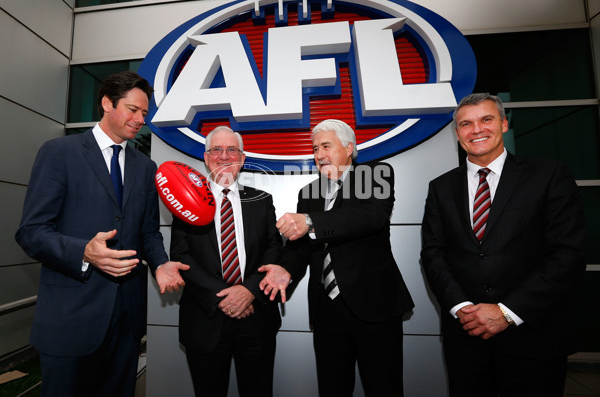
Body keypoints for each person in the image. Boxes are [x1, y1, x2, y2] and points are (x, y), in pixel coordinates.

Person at [15, 71, 189, 397]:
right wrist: (84, 251)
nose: (140, 120)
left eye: (144, 113)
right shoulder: (59, 153)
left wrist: (161, 263)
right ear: (107, 103)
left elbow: (148, 232)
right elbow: (31, 232)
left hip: (126, 323)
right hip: (70, 321)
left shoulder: (145, 167)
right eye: (132, 110)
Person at [420, 93, 586, 397]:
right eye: (466, 124)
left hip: (533, 335)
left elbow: (567, 253)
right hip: (466, 337)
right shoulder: (441, 187)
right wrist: (461, 308)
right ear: (457, 133)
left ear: (504, 123)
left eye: (486, 119)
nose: (476, 130)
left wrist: (507, 311)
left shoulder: (548, 175)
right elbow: (433, 253)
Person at [259, 119, 414, 396]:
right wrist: (286, 269)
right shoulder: (308, 194)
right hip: (326, 310)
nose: (319, 155)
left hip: (374, 307)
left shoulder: (375, 176)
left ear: (349, 147)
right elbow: (301, 247)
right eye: (316, 148)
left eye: (326, 146)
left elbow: (369, 218)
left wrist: (310, 221)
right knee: (332, 388)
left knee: (384, 387)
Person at [169, 126, 283, 397]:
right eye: (216, 150)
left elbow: (274, 249)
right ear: (206, 158)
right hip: (205, 319)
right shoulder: (186, 199)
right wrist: (224, 298)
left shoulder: (262, 200)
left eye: (231, 149)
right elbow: (181, 256)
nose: (224, 156)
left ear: (242, 158)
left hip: (257, 318)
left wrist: (248, 292)